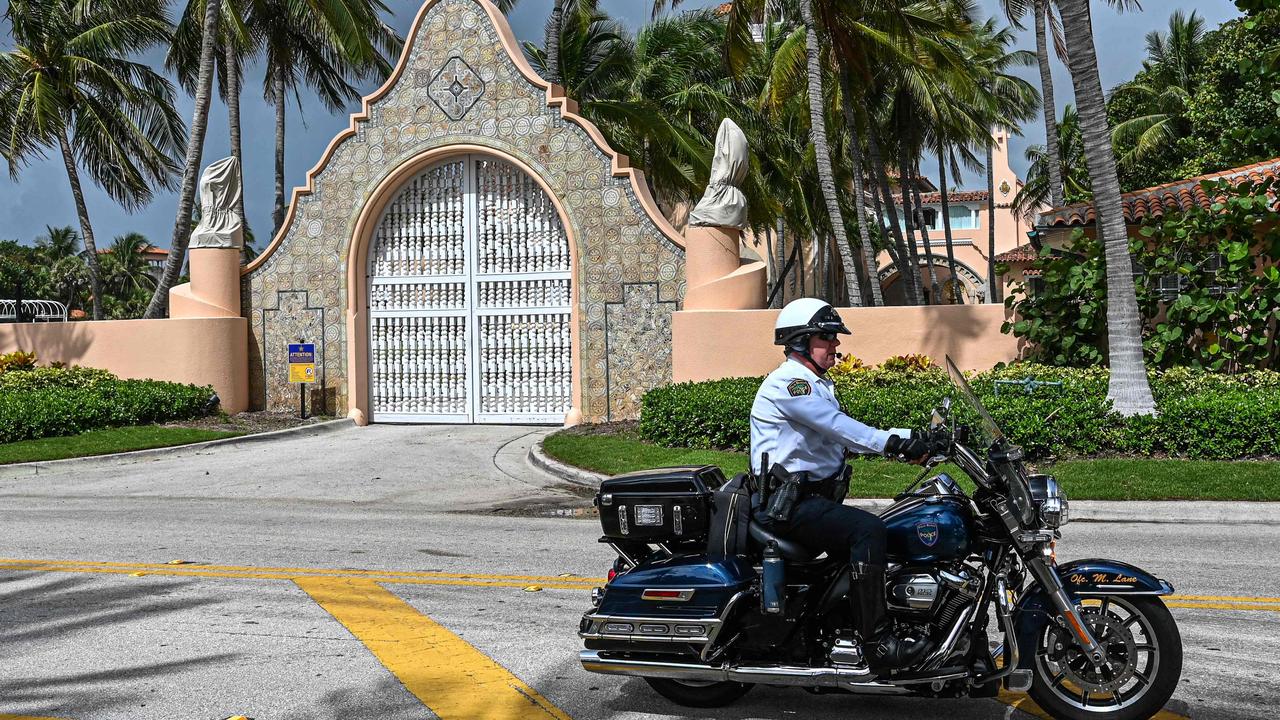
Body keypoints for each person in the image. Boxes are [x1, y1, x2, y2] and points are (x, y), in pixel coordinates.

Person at [750, 297, 932, 672]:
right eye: (827, 337)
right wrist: (894, 444)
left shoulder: (814, 383)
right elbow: (839, 428)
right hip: (789, 507)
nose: (836, 344)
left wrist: (919, 437)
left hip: (809, 501)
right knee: (867, 530)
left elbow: (844, 428)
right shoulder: (790, 385)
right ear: (801, 341)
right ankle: (878, 643)